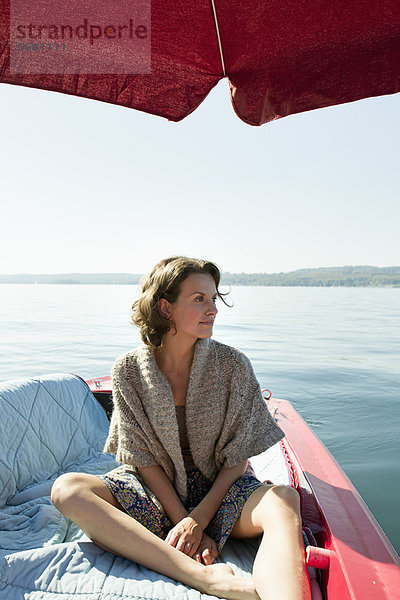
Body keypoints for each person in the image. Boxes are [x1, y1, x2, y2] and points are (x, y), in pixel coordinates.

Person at [51, 256, 311, 600]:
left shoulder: (233, 365)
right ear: (166, 307)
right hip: (156, 495)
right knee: (67, 490)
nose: (213, 309)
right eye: (199, 299)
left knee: (283, 499)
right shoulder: (128, 370)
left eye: (214, 299)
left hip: (223, 495)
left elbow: (239, 456)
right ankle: (202, 578)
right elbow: (142, 459)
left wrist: (199, 520)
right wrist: (181, 522)